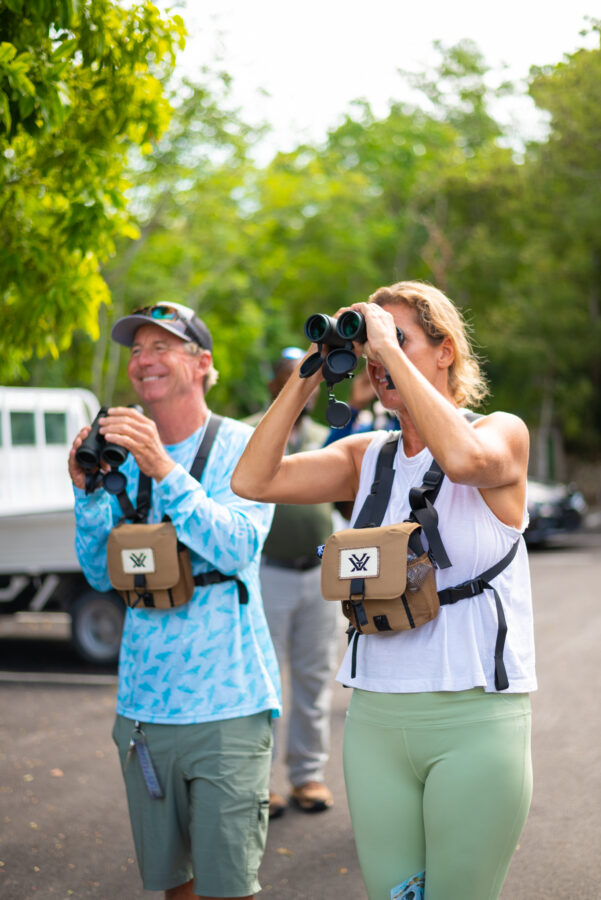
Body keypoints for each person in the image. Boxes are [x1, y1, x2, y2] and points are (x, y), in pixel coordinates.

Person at [231, 281, 536, 900]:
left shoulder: (500, 432)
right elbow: (252, 480)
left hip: (474, 714)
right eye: (371, 349)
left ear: (445, 351)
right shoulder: (367, 456)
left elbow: (463, 462)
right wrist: (311, 371)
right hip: (375, 717)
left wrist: (386, 352)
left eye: (399, 339)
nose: (377, 357)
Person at [68, 301, 281, 900]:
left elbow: (237, 546)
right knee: (174, 887)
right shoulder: (118, 453)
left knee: (228, 886)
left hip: (227, 704)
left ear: (202, 363)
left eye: (162, 346)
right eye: (136, 350)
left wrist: (163, 468)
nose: (144, 360)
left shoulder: (244, 444)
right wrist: (88, 496)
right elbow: (100, 574)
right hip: (144, 708)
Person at [247, 347, 340, 819]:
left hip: (319, 576)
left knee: (314, 677)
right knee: (264, 681)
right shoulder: (251, 432)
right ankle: (260, 782)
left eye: (308, 380)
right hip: (270, 573)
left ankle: (307, 776)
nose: (301, 388)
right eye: (289, 377)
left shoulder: (328, 436)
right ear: (274, 386)